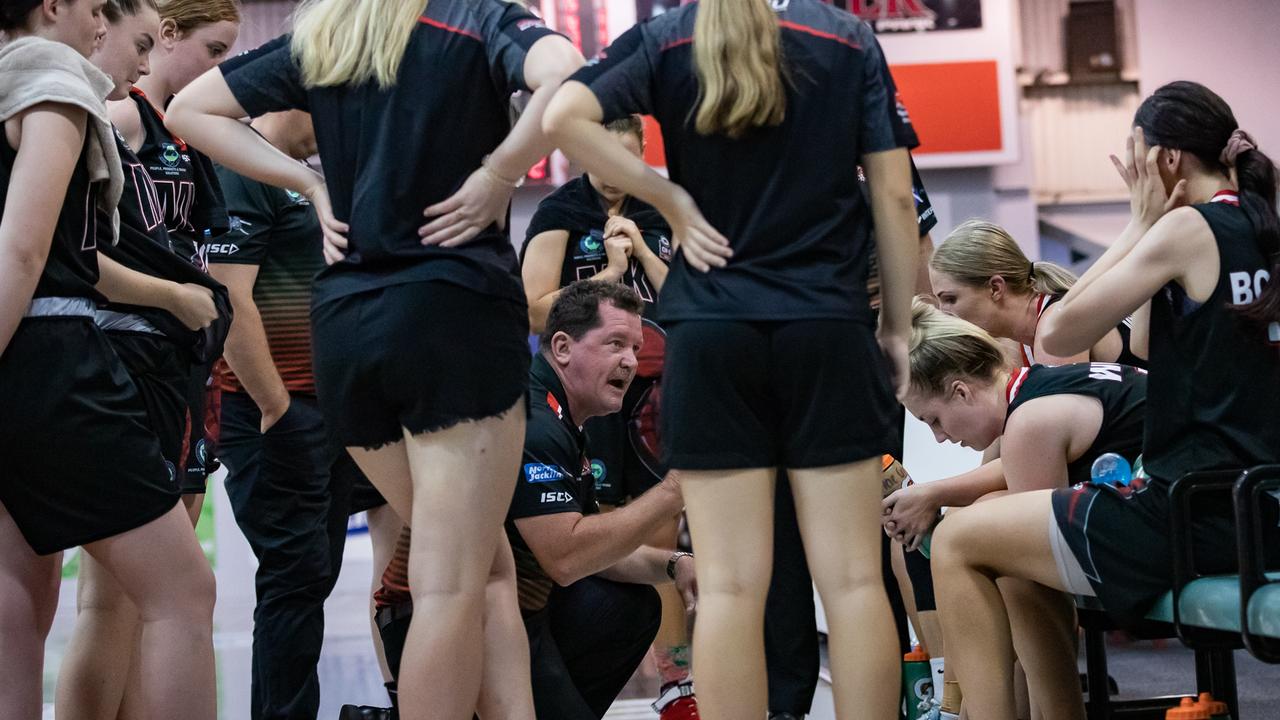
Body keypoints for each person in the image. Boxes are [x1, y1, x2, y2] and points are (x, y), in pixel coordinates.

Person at [166, 2, 584, 717]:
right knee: (451, 578)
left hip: (347, 328)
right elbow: (570, 76)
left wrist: (310, 183)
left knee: (483, 565)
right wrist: (502, 169)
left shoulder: (328, 32)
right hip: (452, 313)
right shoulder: (475, 18)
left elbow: (190, 109)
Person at [543, 1, 922, 717]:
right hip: (826, 327)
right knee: (853, 582)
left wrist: (668, 197)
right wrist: (896, 328)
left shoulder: (669, 34)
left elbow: (561, 117)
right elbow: (895, 199)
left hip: (711, 333)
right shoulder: (844, 38)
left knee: (727, 586)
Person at [929, 82, 1280, 719]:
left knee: (960, 539)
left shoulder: (1186, 229)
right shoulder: (1262, 222)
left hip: (1186, 514)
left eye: (1136, 154)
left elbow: (1059, 330)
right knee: (1008, 542)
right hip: (1255, 505)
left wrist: (1141, 222)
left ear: (1166, 162)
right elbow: (1146, 338)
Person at [0, 1, 216, 718]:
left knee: (17, 614)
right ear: (51, 7)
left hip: (31, 362)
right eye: (97, 8)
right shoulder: (55, 79)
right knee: (182, 593)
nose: (101, 25)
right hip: (48, 362)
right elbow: (27, 250)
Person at [55, 2, 231, 717]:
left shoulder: (174, 130)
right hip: (120, 356)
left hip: (172, 361)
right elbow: (72, 255)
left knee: (145, 597)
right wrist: (176, 297)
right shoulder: (89, 114)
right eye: (211, 49)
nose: (144, 61)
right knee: (131, 596)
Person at [208, 109, 396, 720]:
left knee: (314, 578)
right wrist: (278, 409)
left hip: (331, 408)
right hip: (274, 410)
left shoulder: (313, 173)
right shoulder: (242, 164)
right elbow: (228, 296)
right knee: (293, 582)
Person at [521, 115, 696, 718]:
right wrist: (611, 276)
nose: (613, 169)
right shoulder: (558, 212)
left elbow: (691, 298)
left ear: (643, 152)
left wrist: (644, 250)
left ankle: (677, 679)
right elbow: (536, 309)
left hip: (655, 393)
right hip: (588, 395)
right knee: (600, 518)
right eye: (600, 155)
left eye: (625, 157)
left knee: (659, 537)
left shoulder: (662, 206)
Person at [765, 154, 939, 720]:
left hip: (843, 344)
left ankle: (903, 695)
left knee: (878, 537)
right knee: (830, 563)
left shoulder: (880, 140)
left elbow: (919, 249)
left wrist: (909, 336)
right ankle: (789, 705)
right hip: (803, 346)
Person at [930, 219, 1145, 368]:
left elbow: (1064, 431)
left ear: (995, 288)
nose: (943, 314)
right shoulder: (1016, 342)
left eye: (950, 299)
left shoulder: (1054, 329)